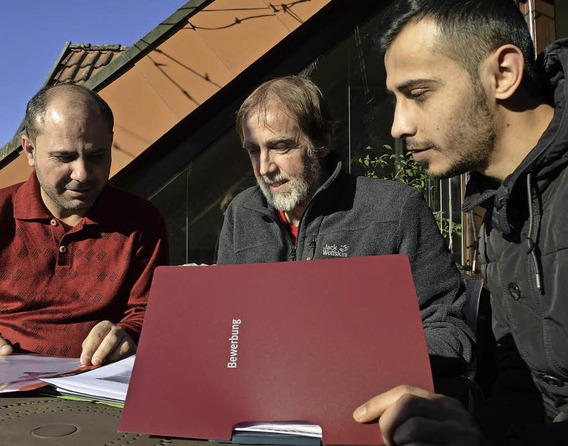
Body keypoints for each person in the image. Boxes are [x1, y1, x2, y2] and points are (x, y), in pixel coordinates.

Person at [353, 0, 568, 444]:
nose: (397, 125)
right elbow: (523, 388)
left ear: (503, 74)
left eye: (417, 94)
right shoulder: (500, 211)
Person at [216, 75, 474, 377]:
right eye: (253, 151)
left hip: (368, 403)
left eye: (281, 147)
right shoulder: (242, 213)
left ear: (323, 141)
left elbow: (448, 330)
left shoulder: (395, 209)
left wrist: (376, 372)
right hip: (261, 403)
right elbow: (228, 325)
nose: (265, 167)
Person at [0, 84, 168, 368]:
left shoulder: (141, 221)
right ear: (29, 150)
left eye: (97, 156)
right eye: (64, 157)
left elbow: (149, 312)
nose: (82, 174)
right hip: (1, 384)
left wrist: (131, 333)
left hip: (101, 387)